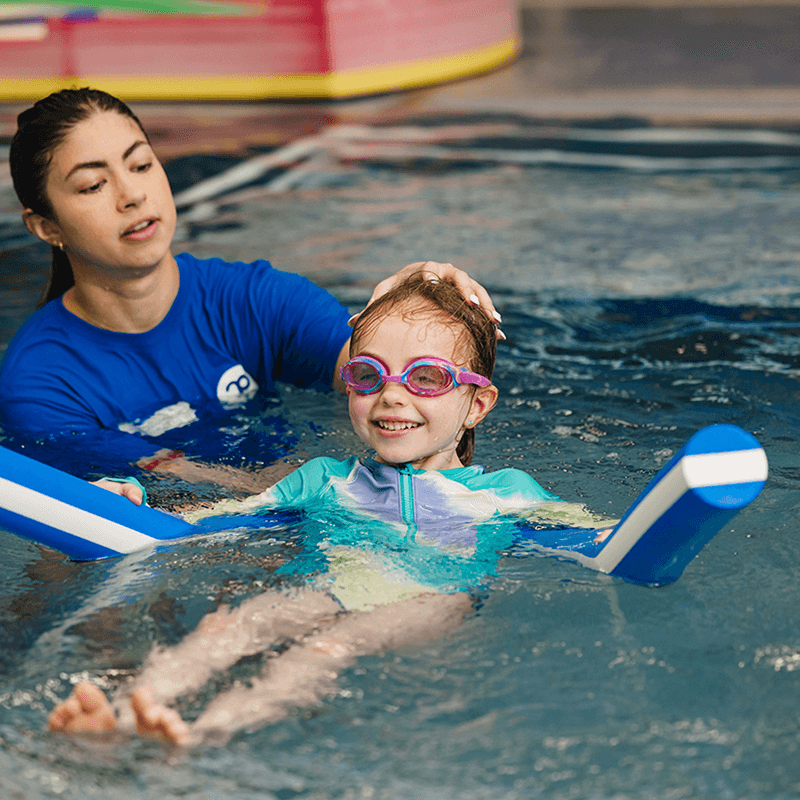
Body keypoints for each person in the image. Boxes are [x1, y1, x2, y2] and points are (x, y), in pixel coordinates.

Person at [48, 274, 611, 747]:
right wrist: (126, 500)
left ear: (476, 404)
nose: (391, 395)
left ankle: (204, 734)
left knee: (327, 647)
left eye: (428, 377)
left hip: (432, 599)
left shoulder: (505, 491)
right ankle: (120, 714)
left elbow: (598, 536)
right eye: (368, 374)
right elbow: (210, 521)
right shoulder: (323, 480)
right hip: (331, 587)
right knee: (236, 623)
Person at [0, 88, 501, 492]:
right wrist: (298, 492)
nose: (132, 195)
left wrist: (416, 299)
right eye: (93, 185)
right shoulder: (40, 383)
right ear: (45, 226)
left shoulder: (254, 301)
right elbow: (171, 481)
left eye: (141, 164)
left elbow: (383, 381)